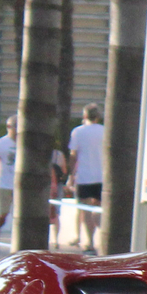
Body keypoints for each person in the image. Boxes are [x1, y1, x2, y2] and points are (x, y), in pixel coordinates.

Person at [66, 103, 106, 253]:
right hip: (101, 177)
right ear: (98, 116)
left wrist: (71, 175)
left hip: (84, 177)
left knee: (86, 211)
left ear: (84, 116)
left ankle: (89, 242)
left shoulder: (77, 132)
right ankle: (103, 240)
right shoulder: (104, 131)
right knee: (100, 210)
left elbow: (73, 155)